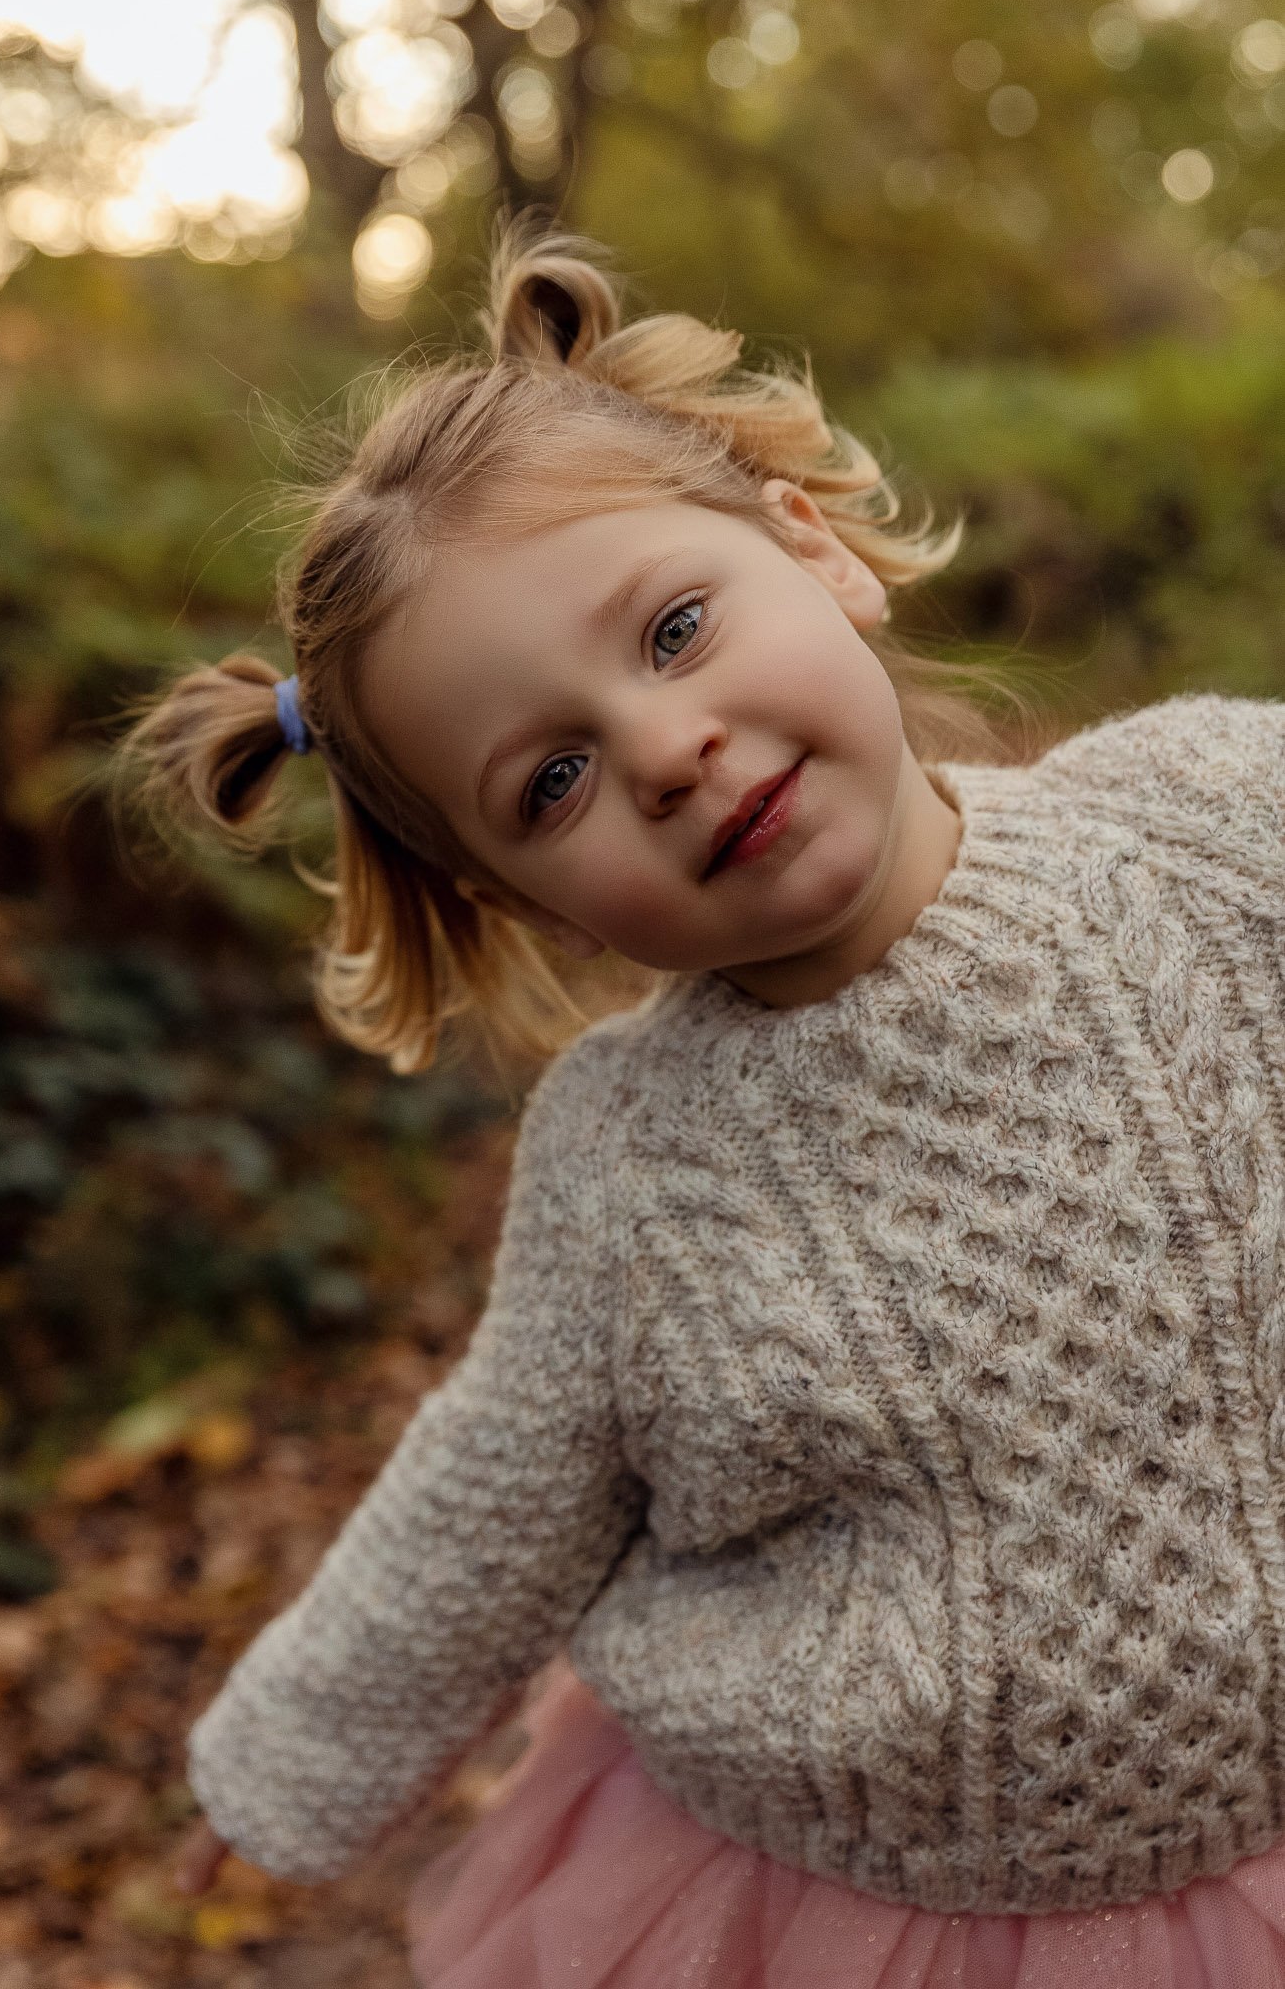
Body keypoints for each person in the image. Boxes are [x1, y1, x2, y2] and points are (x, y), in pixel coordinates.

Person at [115, 222, 1285, 1987]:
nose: (664, 753)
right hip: (870, 1900)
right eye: (553, 778)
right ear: (525, 897)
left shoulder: (1214, 818)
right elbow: (500, 1490)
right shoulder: (629, 1162)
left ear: (813, 548)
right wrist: (295, 1748)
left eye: (674, 629)